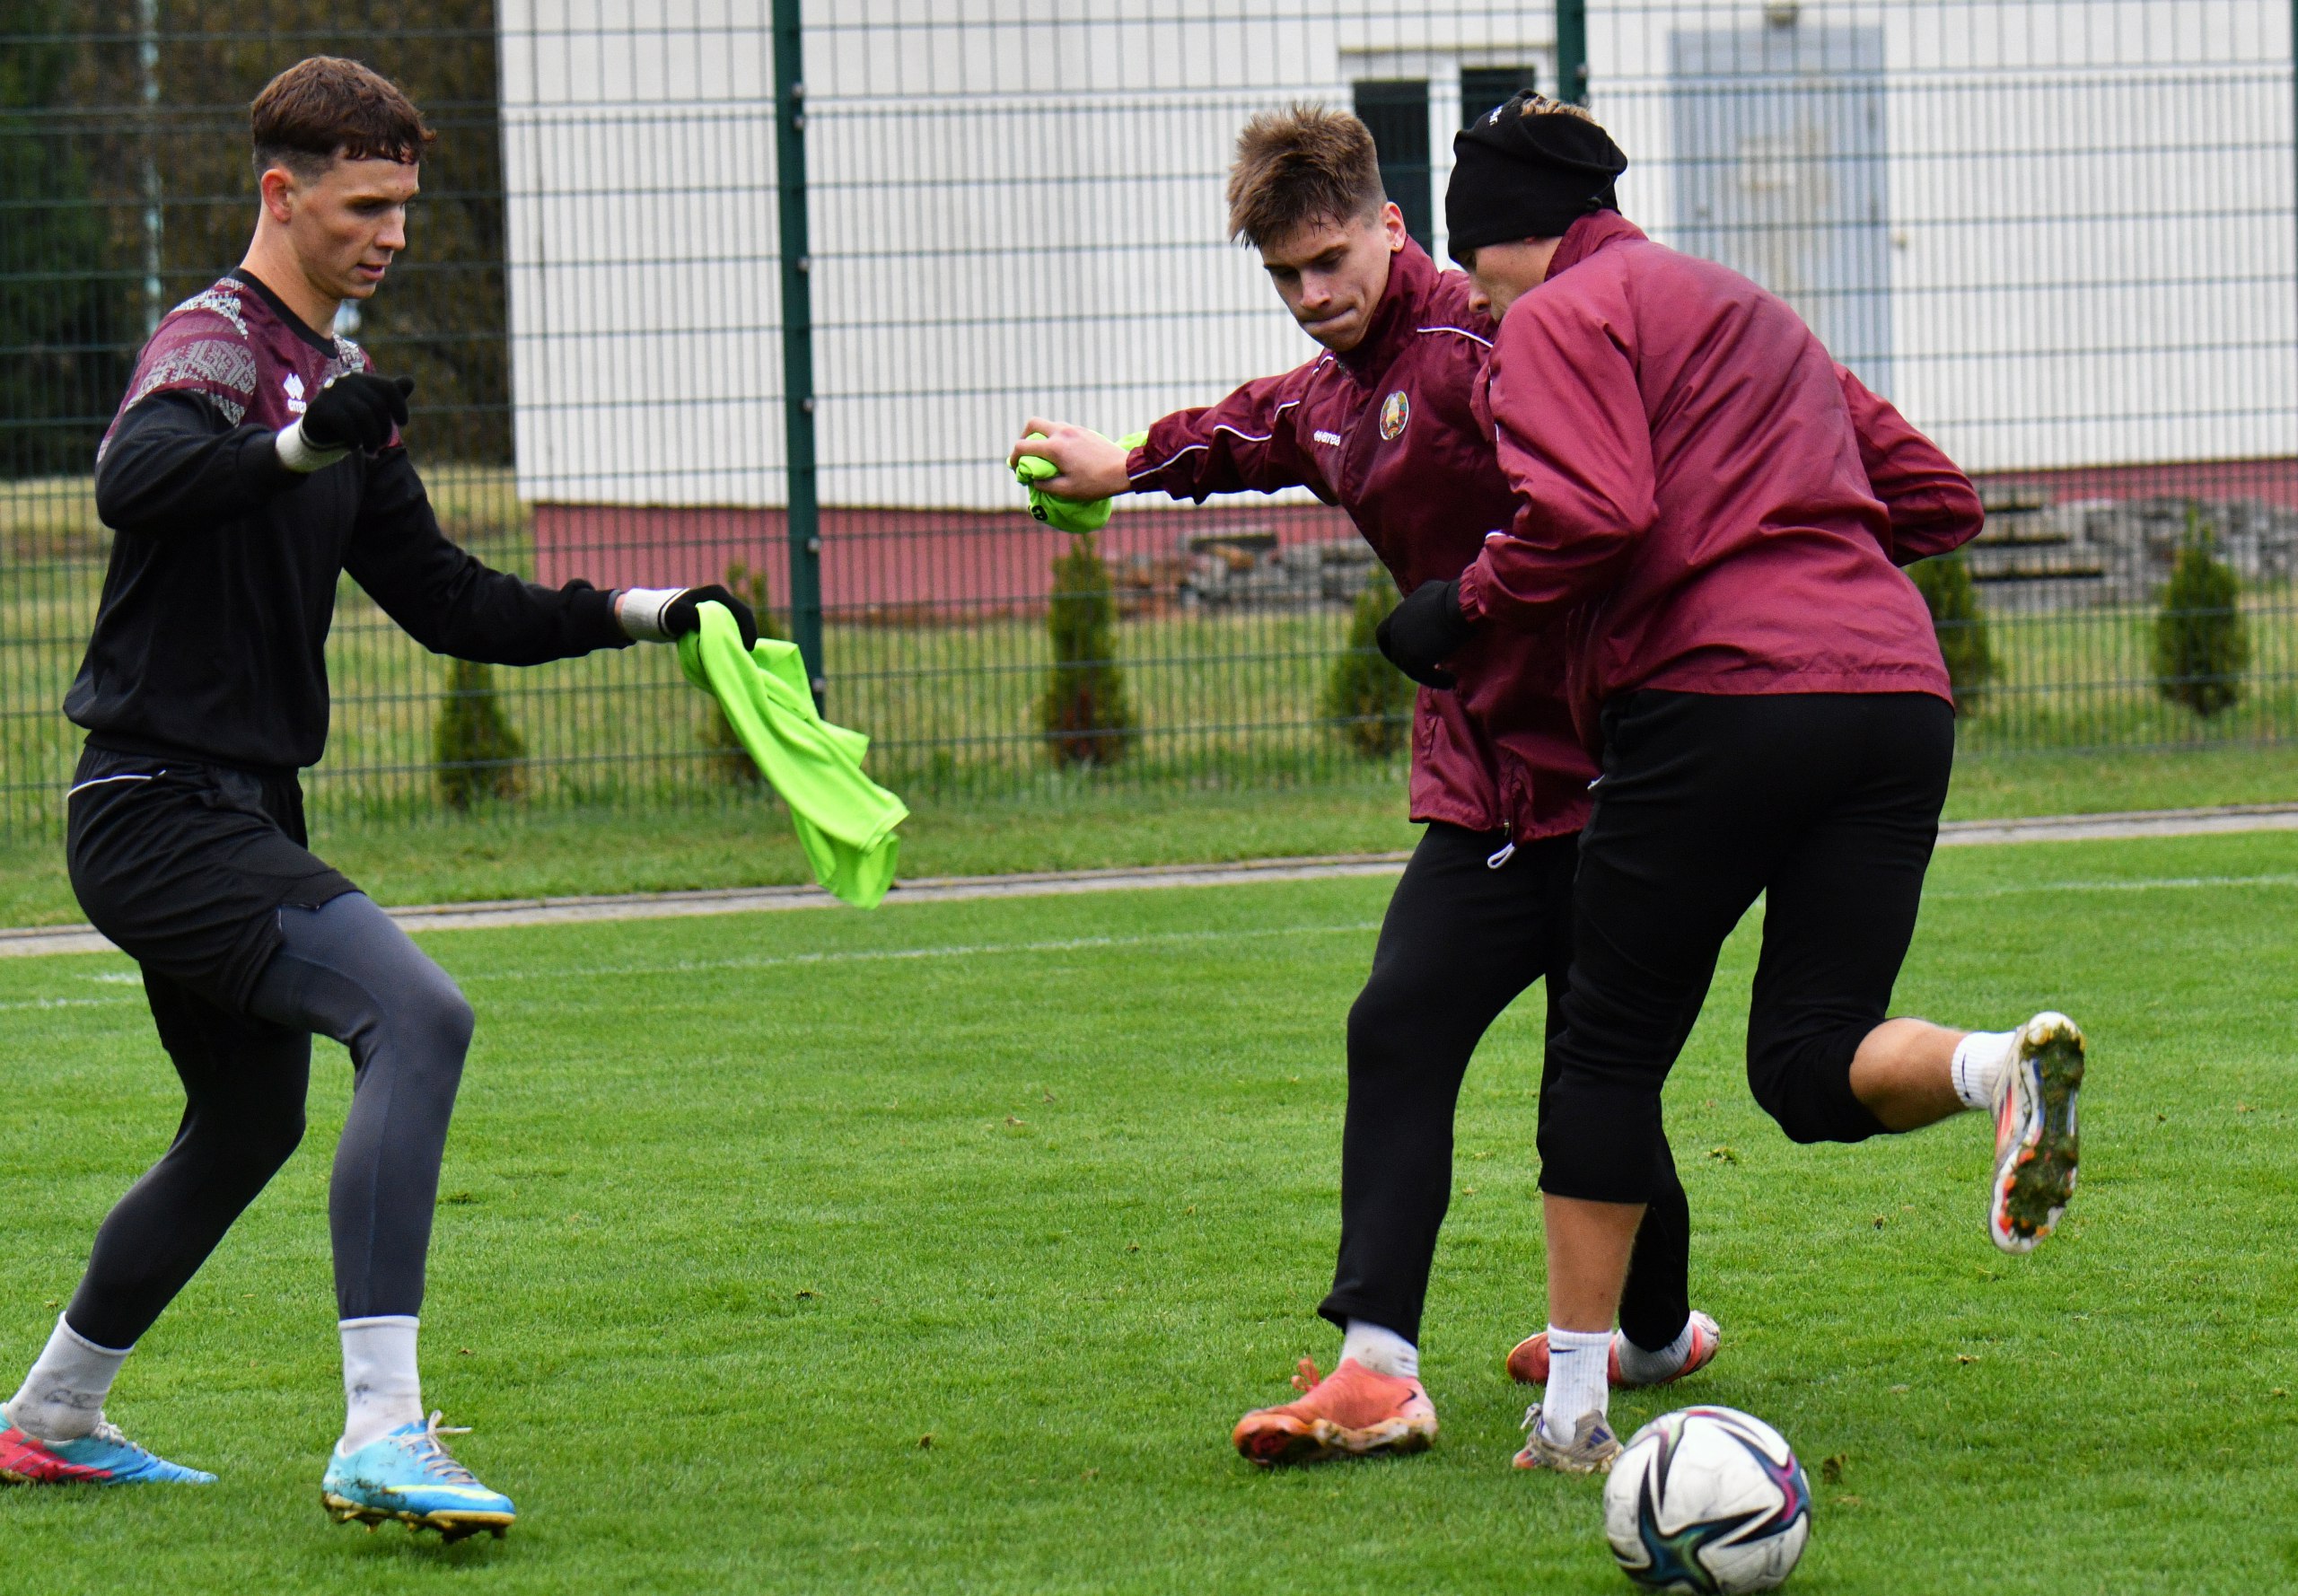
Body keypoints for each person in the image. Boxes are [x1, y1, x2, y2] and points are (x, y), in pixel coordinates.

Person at [0, 57, 755, 1535]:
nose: (394, 233)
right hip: (155, 807)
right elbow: (137, 475)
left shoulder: (346, 394)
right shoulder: (215, 343)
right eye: (366, 204)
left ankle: (47, 1416)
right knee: (416, 1013)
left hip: (232, 810)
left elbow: (448, 599)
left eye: (407, 203)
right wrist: (298, 443)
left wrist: (658, 611)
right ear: (280, 194)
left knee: (242, 1124)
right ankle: (381, 1434)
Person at [1377, 92, 2085, 1473]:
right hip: (1895, 699)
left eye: (1473, 265)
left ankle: (1575, 1414)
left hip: (1716, 704)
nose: (1473, 293)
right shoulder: (1756, 312)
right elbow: (1936, 497)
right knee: (1807, 1061)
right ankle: (1993, 1066)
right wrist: (1796, 540)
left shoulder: (1559, 321)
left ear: (1503, 241)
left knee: (1606, 1049)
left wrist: (1461, 604)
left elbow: (1595, 511)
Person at [1009, 105, 1717, 1469]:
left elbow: (1616, 496)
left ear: (1394, 226)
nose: (1311, 296)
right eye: (1284, 275)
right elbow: (1266, 427)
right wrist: (1128, 464)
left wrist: (1489, 606)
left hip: (1619, 774)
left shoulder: (1496, 345)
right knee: (1398, 1025)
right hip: (1483, 793)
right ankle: (1379, 1365)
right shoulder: (1342, 384)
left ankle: (1649, 1334)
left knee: (1598, 1083)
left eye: (1330, 259)